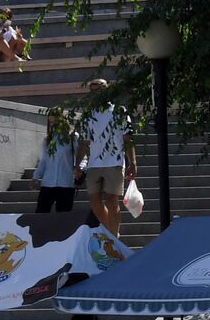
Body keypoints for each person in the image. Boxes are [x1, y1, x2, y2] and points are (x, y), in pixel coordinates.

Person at [75, 79, 136, 237]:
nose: (96, 94)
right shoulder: (88, 116)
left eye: (99, 90)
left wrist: (132, 162)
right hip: (95, 163)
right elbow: (84, 141)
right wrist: (77, 164)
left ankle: (113, 235)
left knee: (111, 199)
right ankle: (110, 230)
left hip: (114, 162)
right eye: (93, 91)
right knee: (94, 202)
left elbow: (127, 138)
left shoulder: (119, 112)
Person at [34, 109, 81, 214]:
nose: (53, 125)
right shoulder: (48, 139)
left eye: (55, 122)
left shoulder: (72, 137)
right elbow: (44, 160)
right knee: (41, 213)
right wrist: (35, 177)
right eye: (51, 122)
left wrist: (79, 168)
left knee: (63, 216)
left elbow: (81, 156)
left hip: (65, 182)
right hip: (48, 182)